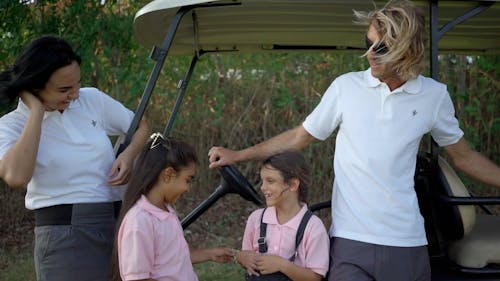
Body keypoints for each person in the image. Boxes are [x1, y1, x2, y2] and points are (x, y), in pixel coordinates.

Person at [208, 1, 500, 280]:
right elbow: (300, 137)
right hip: (350, 240)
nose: (370, 53)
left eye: (382, 46)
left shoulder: (434, 96)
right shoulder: (346, 87)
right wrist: (238, 155)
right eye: (368, 43)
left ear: (408, 50)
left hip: (405, 240)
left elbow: (464, 157)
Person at [0, 35, 149, 281]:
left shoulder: (92, 100)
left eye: (77, 84)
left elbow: (140, 126)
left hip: (119, 224)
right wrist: (36, 112)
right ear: (34, 86)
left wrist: (130, 156)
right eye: (64, 89)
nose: (75, 95)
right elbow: (16, 177)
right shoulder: (10, 126)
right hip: (64, 235)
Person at [114, 132, 235, 281]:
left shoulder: (166, 211)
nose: (187, 188)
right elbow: (138, 278)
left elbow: (173, 258)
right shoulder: (139, 221)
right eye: (188, 180)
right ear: (168, 174)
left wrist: (209, 254)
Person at [236, 151, 329, 281]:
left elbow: (315, 277)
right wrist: (241, 257)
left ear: (293, 185)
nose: (263, 187)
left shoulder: (313, 227)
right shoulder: (256, 219)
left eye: (270, 181)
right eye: (262, 181)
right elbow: (246, 254)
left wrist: (283, 266)